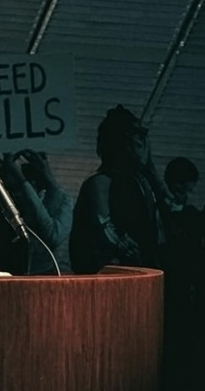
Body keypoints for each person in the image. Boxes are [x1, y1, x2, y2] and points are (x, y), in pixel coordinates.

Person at [70, 104, 166, 273]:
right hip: (116, 277)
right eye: (138, 136)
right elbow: (106, 232)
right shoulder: (101, 183)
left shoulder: (142, 182)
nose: (144, 142)